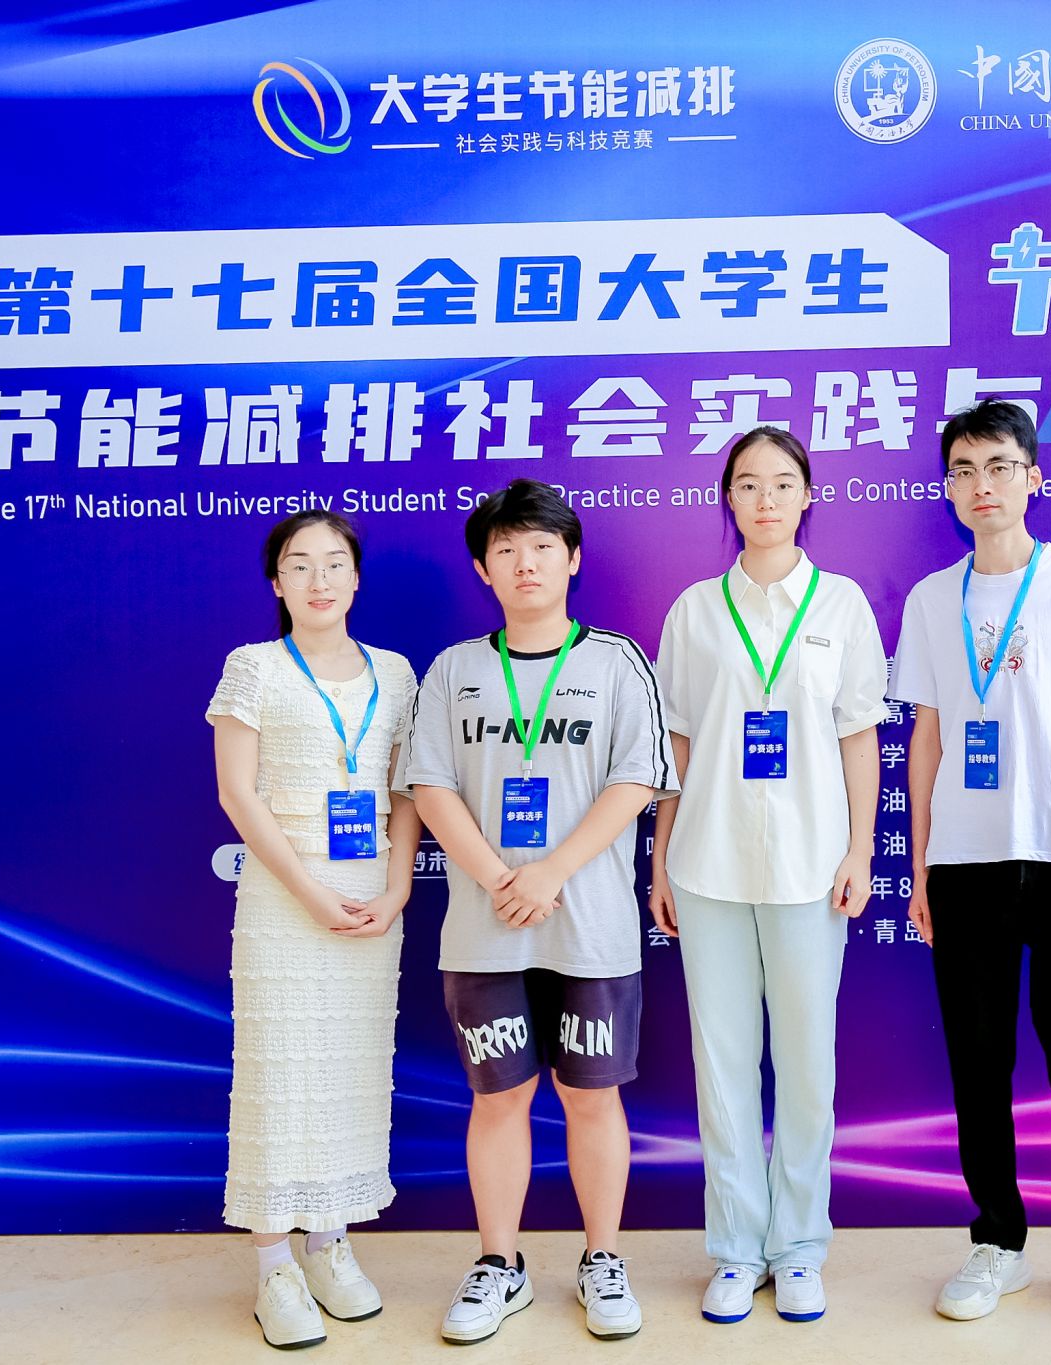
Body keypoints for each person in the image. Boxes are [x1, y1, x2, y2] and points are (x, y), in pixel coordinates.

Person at [889, 399, 1051, 1334]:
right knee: (978, 1058)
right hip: (964, 861)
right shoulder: (932, 599)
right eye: (963, 470)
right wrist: (919, 865)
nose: (981, 485)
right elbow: (925, 738)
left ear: (1033, 477)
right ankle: (998, 1239)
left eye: (998, 466)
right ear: (948, 486)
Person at [402, 478, 678, 1344]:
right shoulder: (454, 670)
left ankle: (603, 1257)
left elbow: (638, 778)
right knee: (500, 1098)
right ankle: (500, 1263)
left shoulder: (617, 661)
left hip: (588, 925)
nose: (526, 563)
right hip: (485, 929)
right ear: (484, 568)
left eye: (542, 547)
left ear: (573, 558)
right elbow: (430, 784)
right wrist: (498, 877)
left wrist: (551, 869)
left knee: (591, 1097)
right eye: (507, 549)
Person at [649, 427, 888, 1325]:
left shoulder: (842, 605)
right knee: (722, 1064)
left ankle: (798, 1248)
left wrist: (860, 849)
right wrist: (661, 857)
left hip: (811, 867)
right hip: (707, 863)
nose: (765, 499)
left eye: (783, 482)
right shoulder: (694, 612)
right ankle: (735, 1248)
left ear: (808, 495)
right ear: (728, 499)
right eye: (747, 484)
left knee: (807, 1063)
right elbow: (674, 746)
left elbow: (859, 736)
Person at [206, 509, 422, 1350]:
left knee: (349, 1071)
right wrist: (306, 891)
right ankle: (273, 1267)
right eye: (300, 564)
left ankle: (329, 1244)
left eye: (335, 563)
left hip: (370, 900)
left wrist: (397, 886)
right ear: (278, 581)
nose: (320, 579)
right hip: (284, 900)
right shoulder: (253, 666)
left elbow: (406, 789)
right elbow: (237, 793)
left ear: (356, 578)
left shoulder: (395, 672)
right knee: (280, 1071)